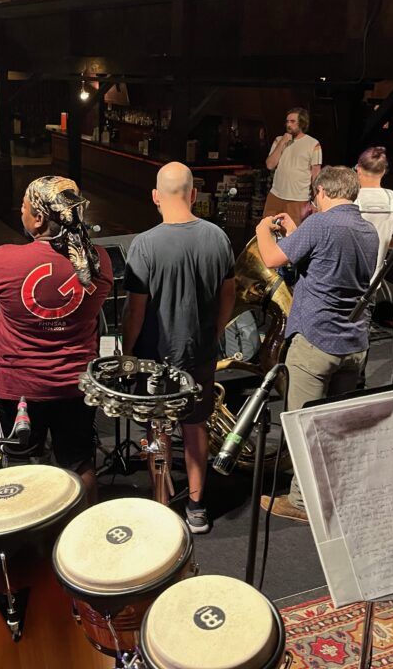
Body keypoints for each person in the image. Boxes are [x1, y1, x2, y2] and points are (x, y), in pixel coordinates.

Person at [254, 166, 378, 522]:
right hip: (353, 344)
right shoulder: (367, 230)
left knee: (302, 425)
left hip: (316, 341)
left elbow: (272, 259)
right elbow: (324, 264)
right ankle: (331, 494)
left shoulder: (322, 224)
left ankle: (301, 502)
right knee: (333, 426)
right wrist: (296, 233)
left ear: (322, 191)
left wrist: (264, 230)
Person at [0, 177, 112, 499]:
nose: (21, 213)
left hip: (19, 388)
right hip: (75, 385)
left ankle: (29, 537)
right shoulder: (100, 262)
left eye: (24, 207)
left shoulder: (2, 259)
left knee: (20, 466)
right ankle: (79, 535)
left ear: (38, 218)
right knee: (80, 462)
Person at [123, 162, 235, 534]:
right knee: (196, 426)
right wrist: (213, 333)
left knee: (158, 426)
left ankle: (161, 504)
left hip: (155, 357)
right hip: (200, 353)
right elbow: (228, 293)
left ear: (155, 196)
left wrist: (126, 351)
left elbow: (135, 310)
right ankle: (197, 506)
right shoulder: (218, 237)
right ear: (194, 195)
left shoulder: (144, 244)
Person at [354, 146, 393, 278]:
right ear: (383, 171)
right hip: (373, 282)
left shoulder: (348, 199)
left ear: (358, 169)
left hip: (344, 279)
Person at [263, 107, 322, 221]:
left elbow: (316, 173)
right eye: (287, 121)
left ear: (302, 123)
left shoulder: (313, 144)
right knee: (267, 229)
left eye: (292, 121)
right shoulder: (279, 140)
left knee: (293, 233)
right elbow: (270, 165)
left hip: (298, 198)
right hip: (276, 195)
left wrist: (316, 200)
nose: (288, 124)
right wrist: (282, 142)